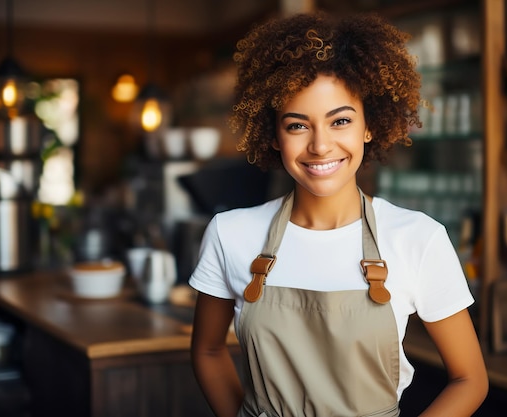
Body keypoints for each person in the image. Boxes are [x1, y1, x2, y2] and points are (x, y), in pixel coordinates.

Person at [189, 11, 488, 417]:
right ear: (274, 135)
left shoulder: (418, 238)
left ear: (369, 126)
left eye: (340, 121)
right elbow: (207, 350)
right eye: (297, 126)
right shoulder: (231, 233)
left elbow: (470, 378)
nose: (320, 146)